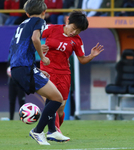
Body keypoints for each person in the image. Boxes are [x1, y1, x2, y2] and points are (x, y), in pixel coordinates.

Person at [9, 0, 67, 145]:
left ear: (27, 13)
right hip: (25, 68)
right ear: (44, 12)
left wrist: (37, 69)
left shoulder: (22, 24)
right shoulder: (39, 21)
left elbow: (19, 48)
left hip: (18, 68)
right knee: (57, 99)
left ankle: (52, 130)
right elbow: (35, 38)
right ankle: (37, 131)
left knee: (51, 95)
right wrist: (42, 57)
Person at [40, 11, 104, 141]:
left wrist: (91, 56)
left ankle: (55, 130)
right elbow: (32, 37)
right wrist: (38, 48)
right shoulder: (52, 29)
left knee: (60, 109)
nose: (74, 32)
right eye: (74, 28)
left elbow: (82, 60)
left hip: (64, 74)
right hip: (46, 71)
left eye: (78, 31)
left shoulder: (77, 41)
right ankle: (54, 131)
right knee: (52, 101)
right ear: (68, 21)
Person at [7, 54, 26, 120]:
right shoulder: (11, 58)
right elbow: (8, 69)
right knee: (11, 101)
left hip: (20, 83)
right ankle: (11, 118)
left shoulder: (23, 59)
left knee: (21, 101)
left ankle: (22, 118)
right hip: (12, 83)